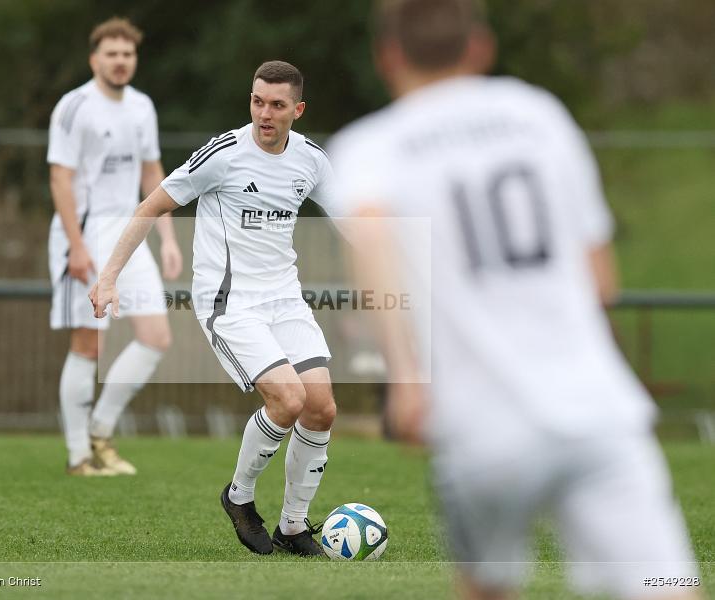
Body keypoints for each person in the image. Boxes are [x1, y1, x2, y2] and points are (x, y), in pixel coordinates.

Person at [330, 0, 701, 598]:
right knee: (666, 584)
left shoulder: (370, 148)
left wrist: (407, 381)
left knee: (487, 587)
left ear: (387, 56)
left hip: (482, 429)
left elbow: (371, 235)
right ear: (480, 46)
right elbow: (601, 280)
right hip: (596, 411)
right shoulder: (539, 116)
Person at [90, 61, 338, 555]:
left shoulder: (312, 159)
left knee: (322, 409)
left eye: (276, 105)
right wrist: (109, 276)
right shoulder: (224, 154)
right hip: (229, 301)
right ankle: (239, 497)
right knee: (287, 400)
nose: (264, 113)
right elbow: (151, 207)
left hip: (285, 298)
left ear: (298, 110)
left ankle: (293, 526)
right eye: (256, 101)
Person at [47, 16, 182, 476]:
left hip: (130, 234)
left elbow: (152, 173)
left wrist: (166, 237)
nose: (121, 61)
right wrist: (76, 245)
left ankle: (101, 432)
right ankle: (77, 455)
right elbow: (59, 178)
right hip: (85, 234)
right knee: (89, 343)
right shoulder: (74, 106)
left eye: (127, 54)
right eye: (112, 54)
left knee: (156, 337)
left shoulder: (142, 107)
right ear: (94, 59)